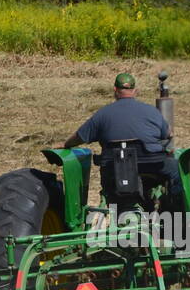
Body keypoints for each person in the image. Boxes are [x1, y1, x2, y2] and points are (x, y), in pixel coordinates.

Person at [64, 72, 182, 209]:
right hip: (151, 165)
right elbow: (168, 134)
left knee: (108, 174)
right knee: (177, 170)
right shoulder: (151, 111)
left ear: (115, 90)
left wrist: (65, 144)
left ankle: (113, 203)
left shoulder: (102, 114)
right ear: (135, 91)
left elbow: (80, 137)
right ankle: (177, 213)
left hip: (114, 166)